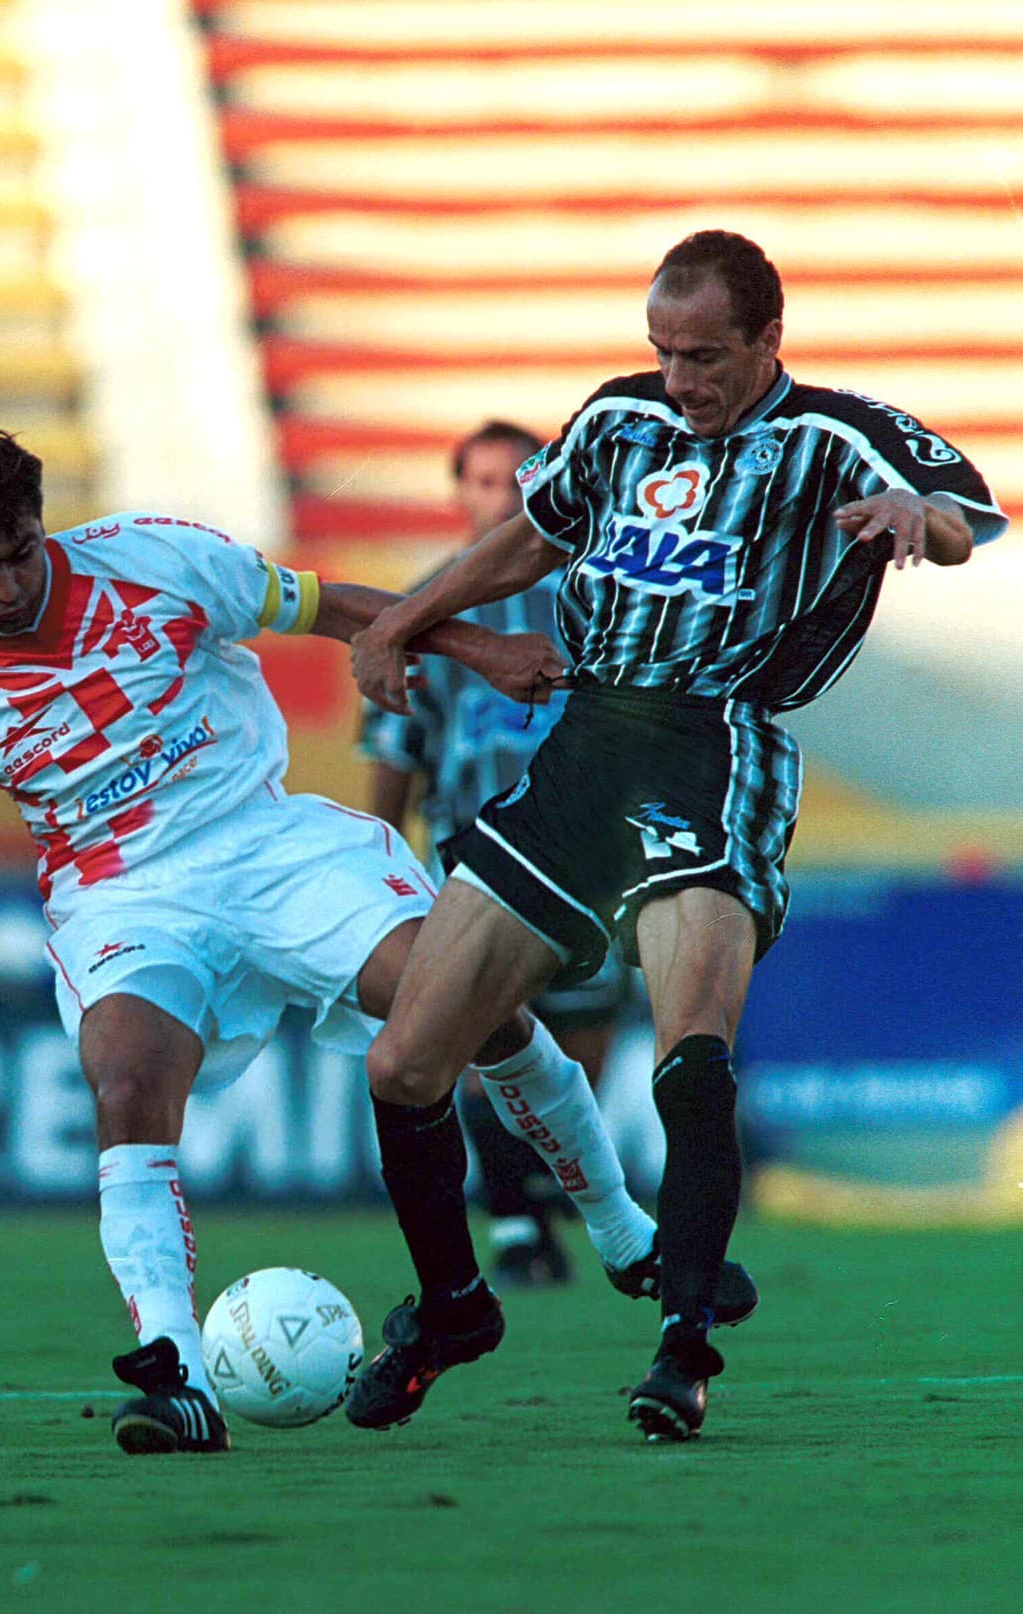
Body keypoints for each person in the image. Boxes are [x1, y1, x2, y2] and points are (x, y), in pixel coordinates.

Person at [0, 429, 752, 1457]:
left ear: (40, 524)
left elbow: (330, 606)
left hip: (270, 841)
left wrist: (479, 651)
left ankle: (619, 1227)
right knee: (126, 1081)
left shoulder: (153, 558)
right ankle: (177, 1372)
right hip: (126, 898)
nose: (7, 587)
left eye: (20, 553)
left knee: (474, 1004)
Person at [349, 230, 1007, 1442]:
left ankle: (682, 1345)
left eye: (702, 355)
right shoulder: (618, 419)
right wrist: (402, 621)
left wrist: (915, 515)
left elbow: (967, 516)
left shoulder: (833, 435)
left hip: (713, 748)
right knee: (401, 1064)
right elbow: (529, 536)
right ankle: (451, 1310)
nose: (678, 378)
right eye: (661, 350)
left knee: (687, 1052)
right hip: (583, 747)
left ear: (767, 340)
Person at [360, 419, 648, 1286]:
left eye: (513, 481)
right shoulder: (422, 608)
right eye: (480, 481)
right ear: (458, 493)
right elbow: (393, 752)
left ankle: (543, 1202)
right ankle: (516, 1222)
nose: (497, 498)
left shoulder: (600, 596)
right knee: (487, 1038)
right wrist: (378, 865)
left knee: (580, 1052)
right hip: (473, 857)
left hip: (593, 860)